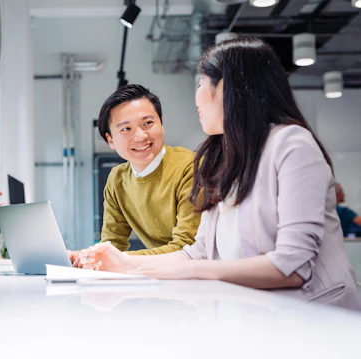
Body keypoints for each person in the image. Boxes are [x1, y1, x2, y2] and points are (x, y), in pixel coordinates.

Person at [79, 36, 361, 310]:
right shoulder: (221, 157)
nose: (196, 97)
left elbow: (293, 267)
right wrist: (122, 263)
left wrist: (193, 270)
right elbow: (196, 251)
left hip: (318, 318)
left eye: (201, 82)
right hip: (259, 315)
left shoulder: (292, 144)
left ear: (227, 88)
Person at [68, 84, 201, 267]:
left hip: (198, 277)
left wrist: (119, 259)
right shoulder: (117, 179)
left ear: (162, 125)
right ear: (110, 140)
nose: (140, 136)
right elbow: (112, 244)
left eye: (148, 123)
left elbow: (186, 247)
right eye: (126, 129)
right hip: (158, 277)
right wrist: (82, 256)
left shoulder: (190, 167)